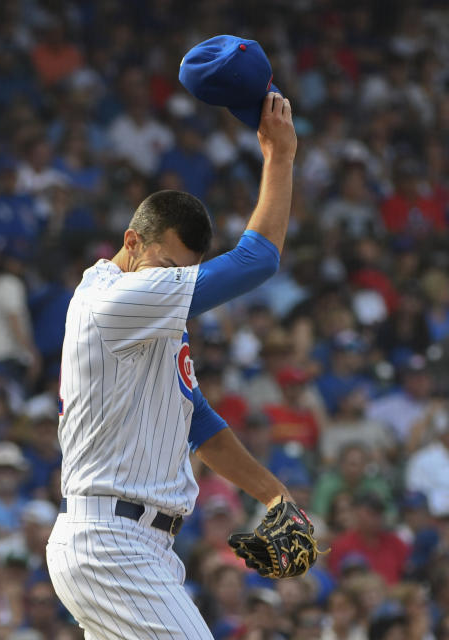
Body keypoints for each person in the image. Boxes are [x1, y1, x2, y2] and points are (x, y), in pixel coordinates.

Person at [46, 91, 305, 638]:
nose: (170, 280)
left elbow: (198, 422)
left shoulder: (148, 312)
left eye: (181, 272)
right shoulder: (114, 302)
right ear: (131, 242)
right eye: (164, 264)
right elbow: (258, 260)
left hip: (133, 545)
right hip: (110, 543)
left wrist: (273, 495)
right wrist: (279, 158)